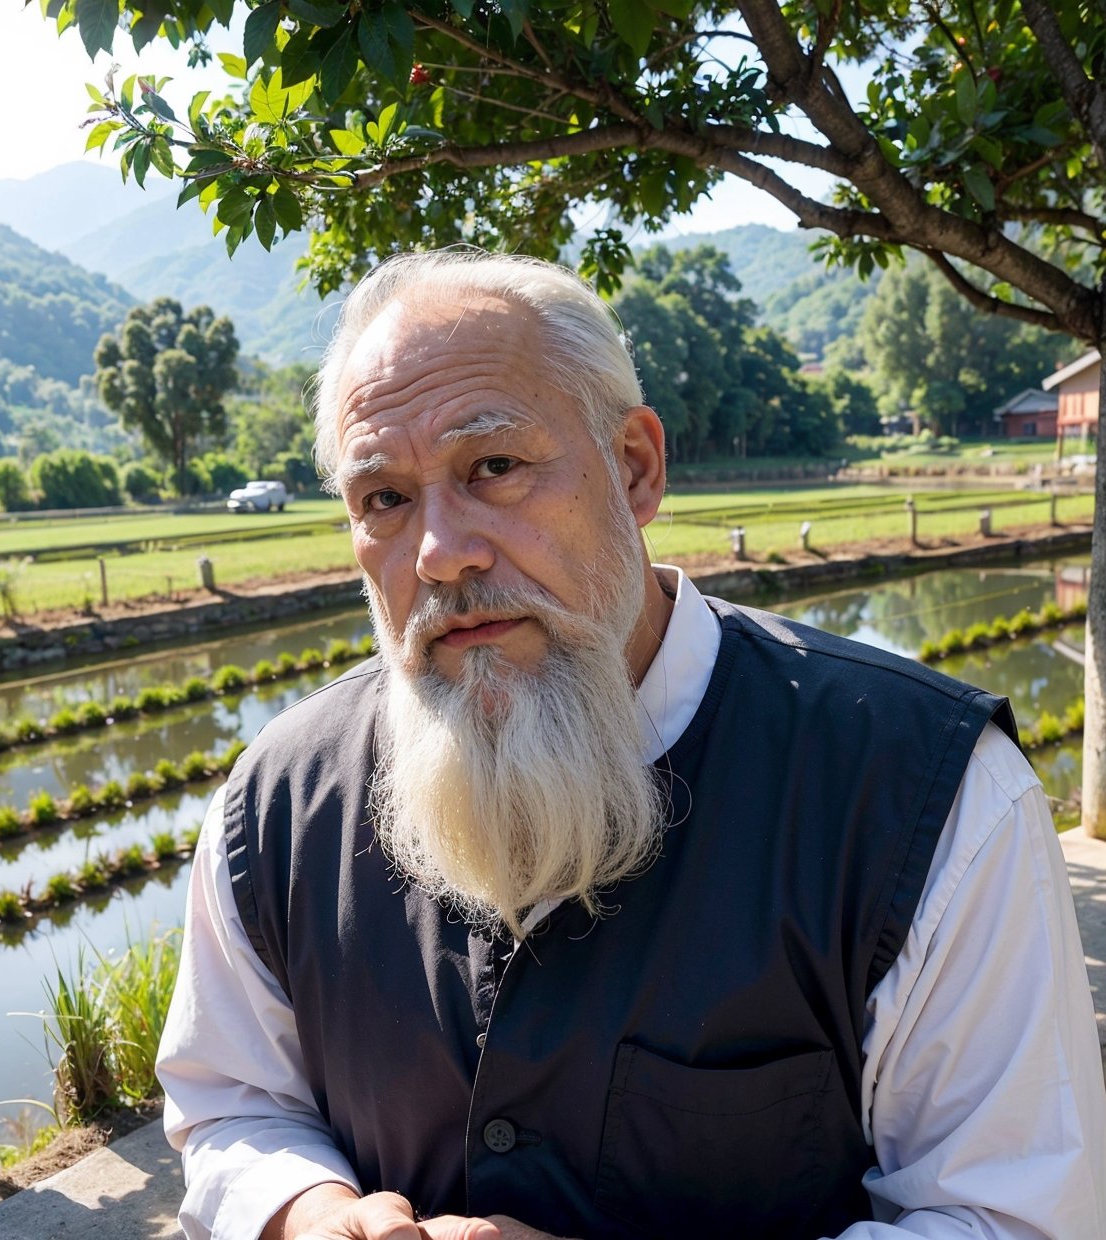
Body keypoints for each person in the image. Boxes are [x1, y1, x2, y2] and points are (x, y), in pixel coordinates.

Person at [156, 251, 1106, 1240]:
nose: (440, 550)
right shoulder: (272, 808)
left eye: (493, 467)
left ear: (635, 469)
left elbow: (1013, 1217)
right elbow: (230, 1102)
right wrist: (303, 1211)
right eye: (384, 499)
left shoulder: (921, 795)